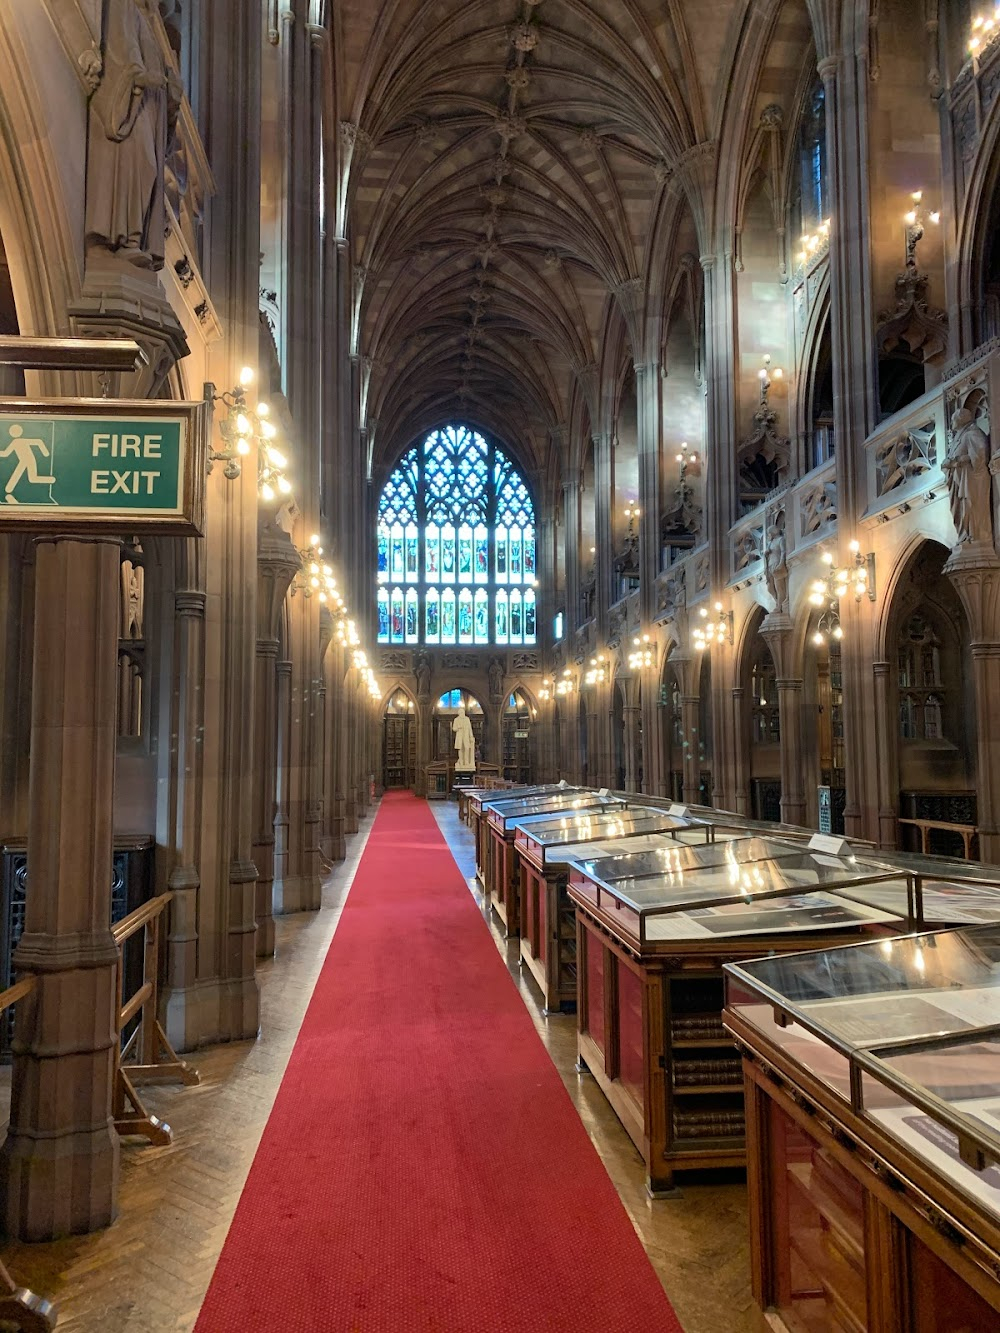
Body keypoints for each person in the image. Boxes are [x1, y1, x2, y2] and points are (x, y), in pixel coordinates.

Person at [85, 0, 182, 270]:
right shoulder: (123, 6)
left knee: (148, 169)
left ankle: (134, 239)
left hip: (148, 112)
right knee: (139, 164)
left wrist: (171, 91)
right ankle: (123, 238)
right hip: (132, 106)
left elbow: (157, 76)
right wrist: (139, 77)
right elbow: (120, 49)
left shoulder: (151, 27)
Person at [942, 407, 992, 545]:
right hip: (959, 482)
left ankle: (974, 536)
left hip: (970, 480)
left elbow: (979, 457)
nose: (951, 423)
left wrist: (955, 462)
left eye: (953, 419)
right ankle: (965, 535)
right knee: (960, 509)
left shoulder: (972, 433)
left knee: (971, 508)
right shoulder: (960, 436)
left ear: (961, 419)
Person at [452, 703, 476, 772]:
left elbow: (469, 728)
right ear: (459, 713)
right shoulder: (456, 720)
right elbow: (454, 728)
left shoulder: (467, 719)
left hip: (466, 737)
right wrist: (458, 727)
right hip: (459, 737)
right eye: (461, 712)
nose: (462, 713)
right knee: (460, 749)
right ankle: (461, 762)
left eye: (463, 712)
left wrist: (471, 736)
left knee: (466, 749)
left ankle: (466, 762)